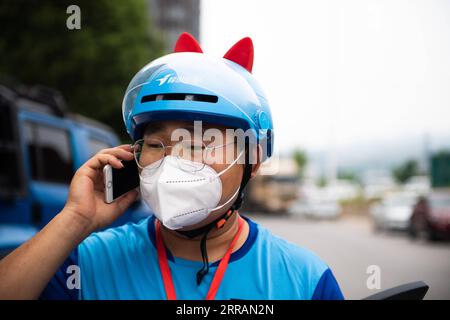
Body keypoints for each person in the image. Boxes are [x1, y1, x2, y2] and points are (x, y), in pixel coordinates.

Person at [0, 32, 344, 300]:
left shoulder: (304, 280)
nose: (171, 160)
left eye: (196, 144)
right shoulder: (89, 263)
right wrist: (73, 221)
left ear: (251, 161)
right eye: (153, 144)